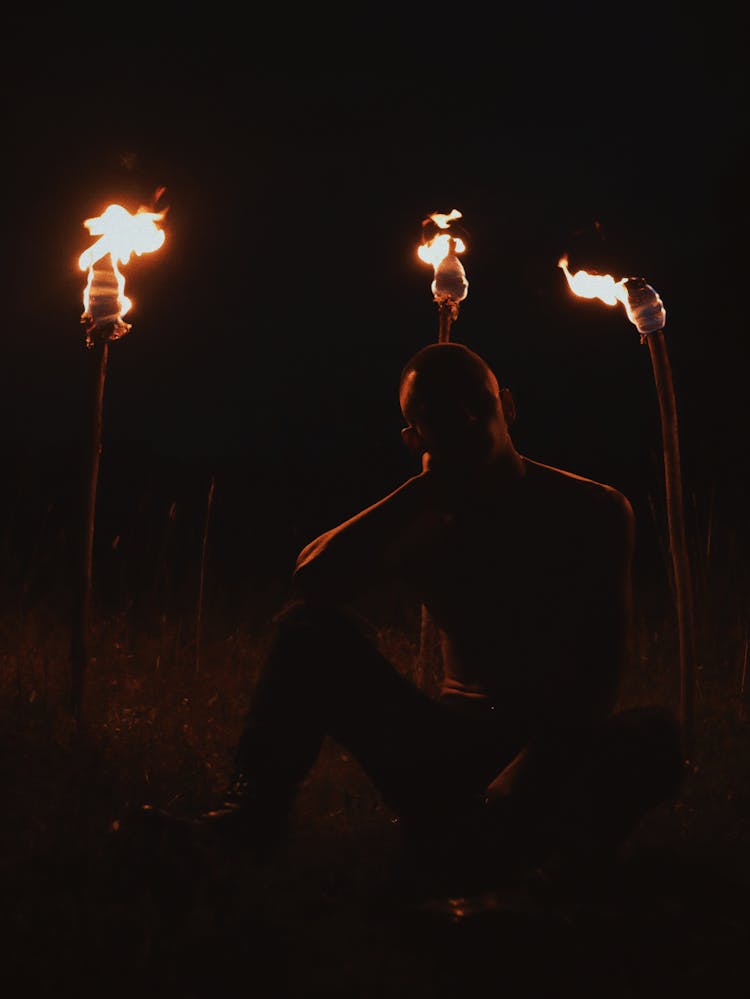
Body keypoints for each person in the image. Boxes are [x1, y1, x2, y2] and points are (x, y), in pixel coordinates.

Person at [134, 338, 685, 895]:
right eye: (439, 415)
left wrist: (522, 780)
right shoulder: (423, 521)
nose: (468, 420)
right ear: (414, 437)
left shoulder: (591, 511)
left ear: (508, 406)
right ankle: (251, 820)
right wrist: (419, 491)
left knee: (655, 734)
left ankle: (533, 866)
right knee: (307, 632)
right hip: (450, 749)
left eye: (476, 401)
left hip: (550, 749)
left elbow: (597, 676)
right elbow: (313, 581)